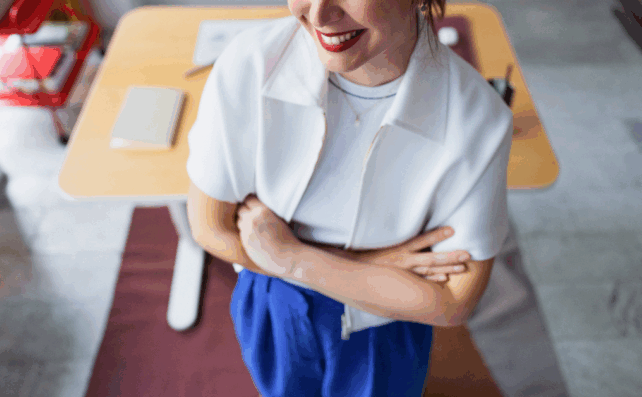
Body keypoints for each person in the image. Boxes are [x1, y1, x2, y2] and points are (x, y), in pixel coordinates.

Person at [186, 0, 513, 395]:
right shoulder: (250, 62)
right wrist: (367, 265)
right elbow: (209, 226)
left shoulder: (479, 120)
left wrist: (293, 257)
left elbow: (453, 302)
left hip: (379, 326)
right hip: (278, 306)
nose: (318, 14)